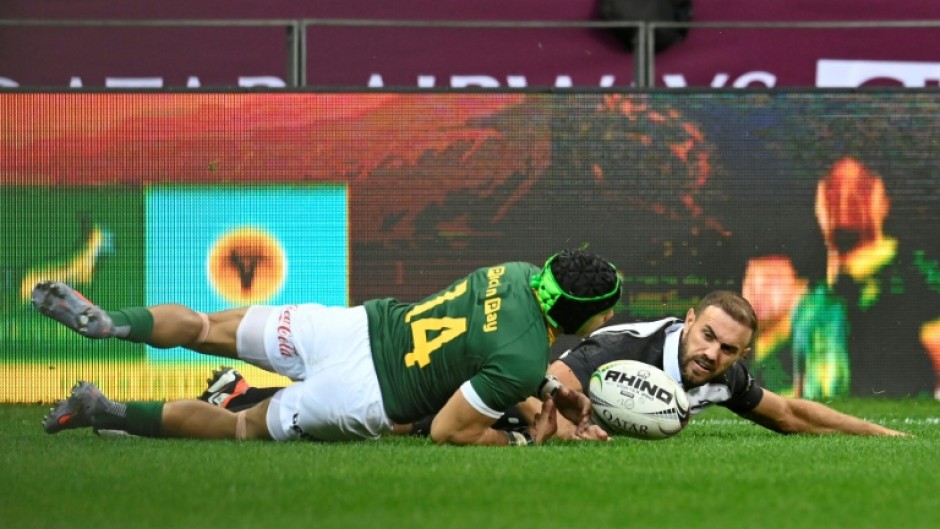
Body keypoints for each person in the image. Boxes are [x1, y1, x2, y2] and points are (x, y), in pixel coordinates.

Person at [34, 248, 623, 446]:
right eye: (607, 309)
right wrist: (522, 439)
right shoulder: (522, 356)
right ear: (584, 317)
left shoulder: (514, 273)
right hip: (362, 396)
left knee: (208, 327)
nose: (611, 315)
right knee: (239, 427)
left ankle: (109, 322)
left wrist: (542, 386)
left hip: (349, 328)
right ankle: (106, 412)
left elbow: (488, 345)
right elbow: (449, 429)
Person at [196, 290, 908, 439]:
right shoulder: (626, 346)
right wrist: (571, 429)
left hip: (492, 404)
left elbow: (789, 413)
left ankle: (239, 391)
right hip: (480, 395)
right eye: (709, 337)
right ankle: (239, 393)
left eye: (728, 349)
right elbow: (557, 386)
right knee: (389, 425)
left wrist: (880, 438)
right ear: (689, 319)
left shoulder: (721, 373)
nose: (712, 355)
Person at [791, 158, 940, 399]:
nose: (845, 198)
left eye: (861, 187)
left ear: (884, 202)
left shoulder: (922, 278)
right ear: (817, 204)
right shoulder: (811, 299)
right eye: (833, 186)